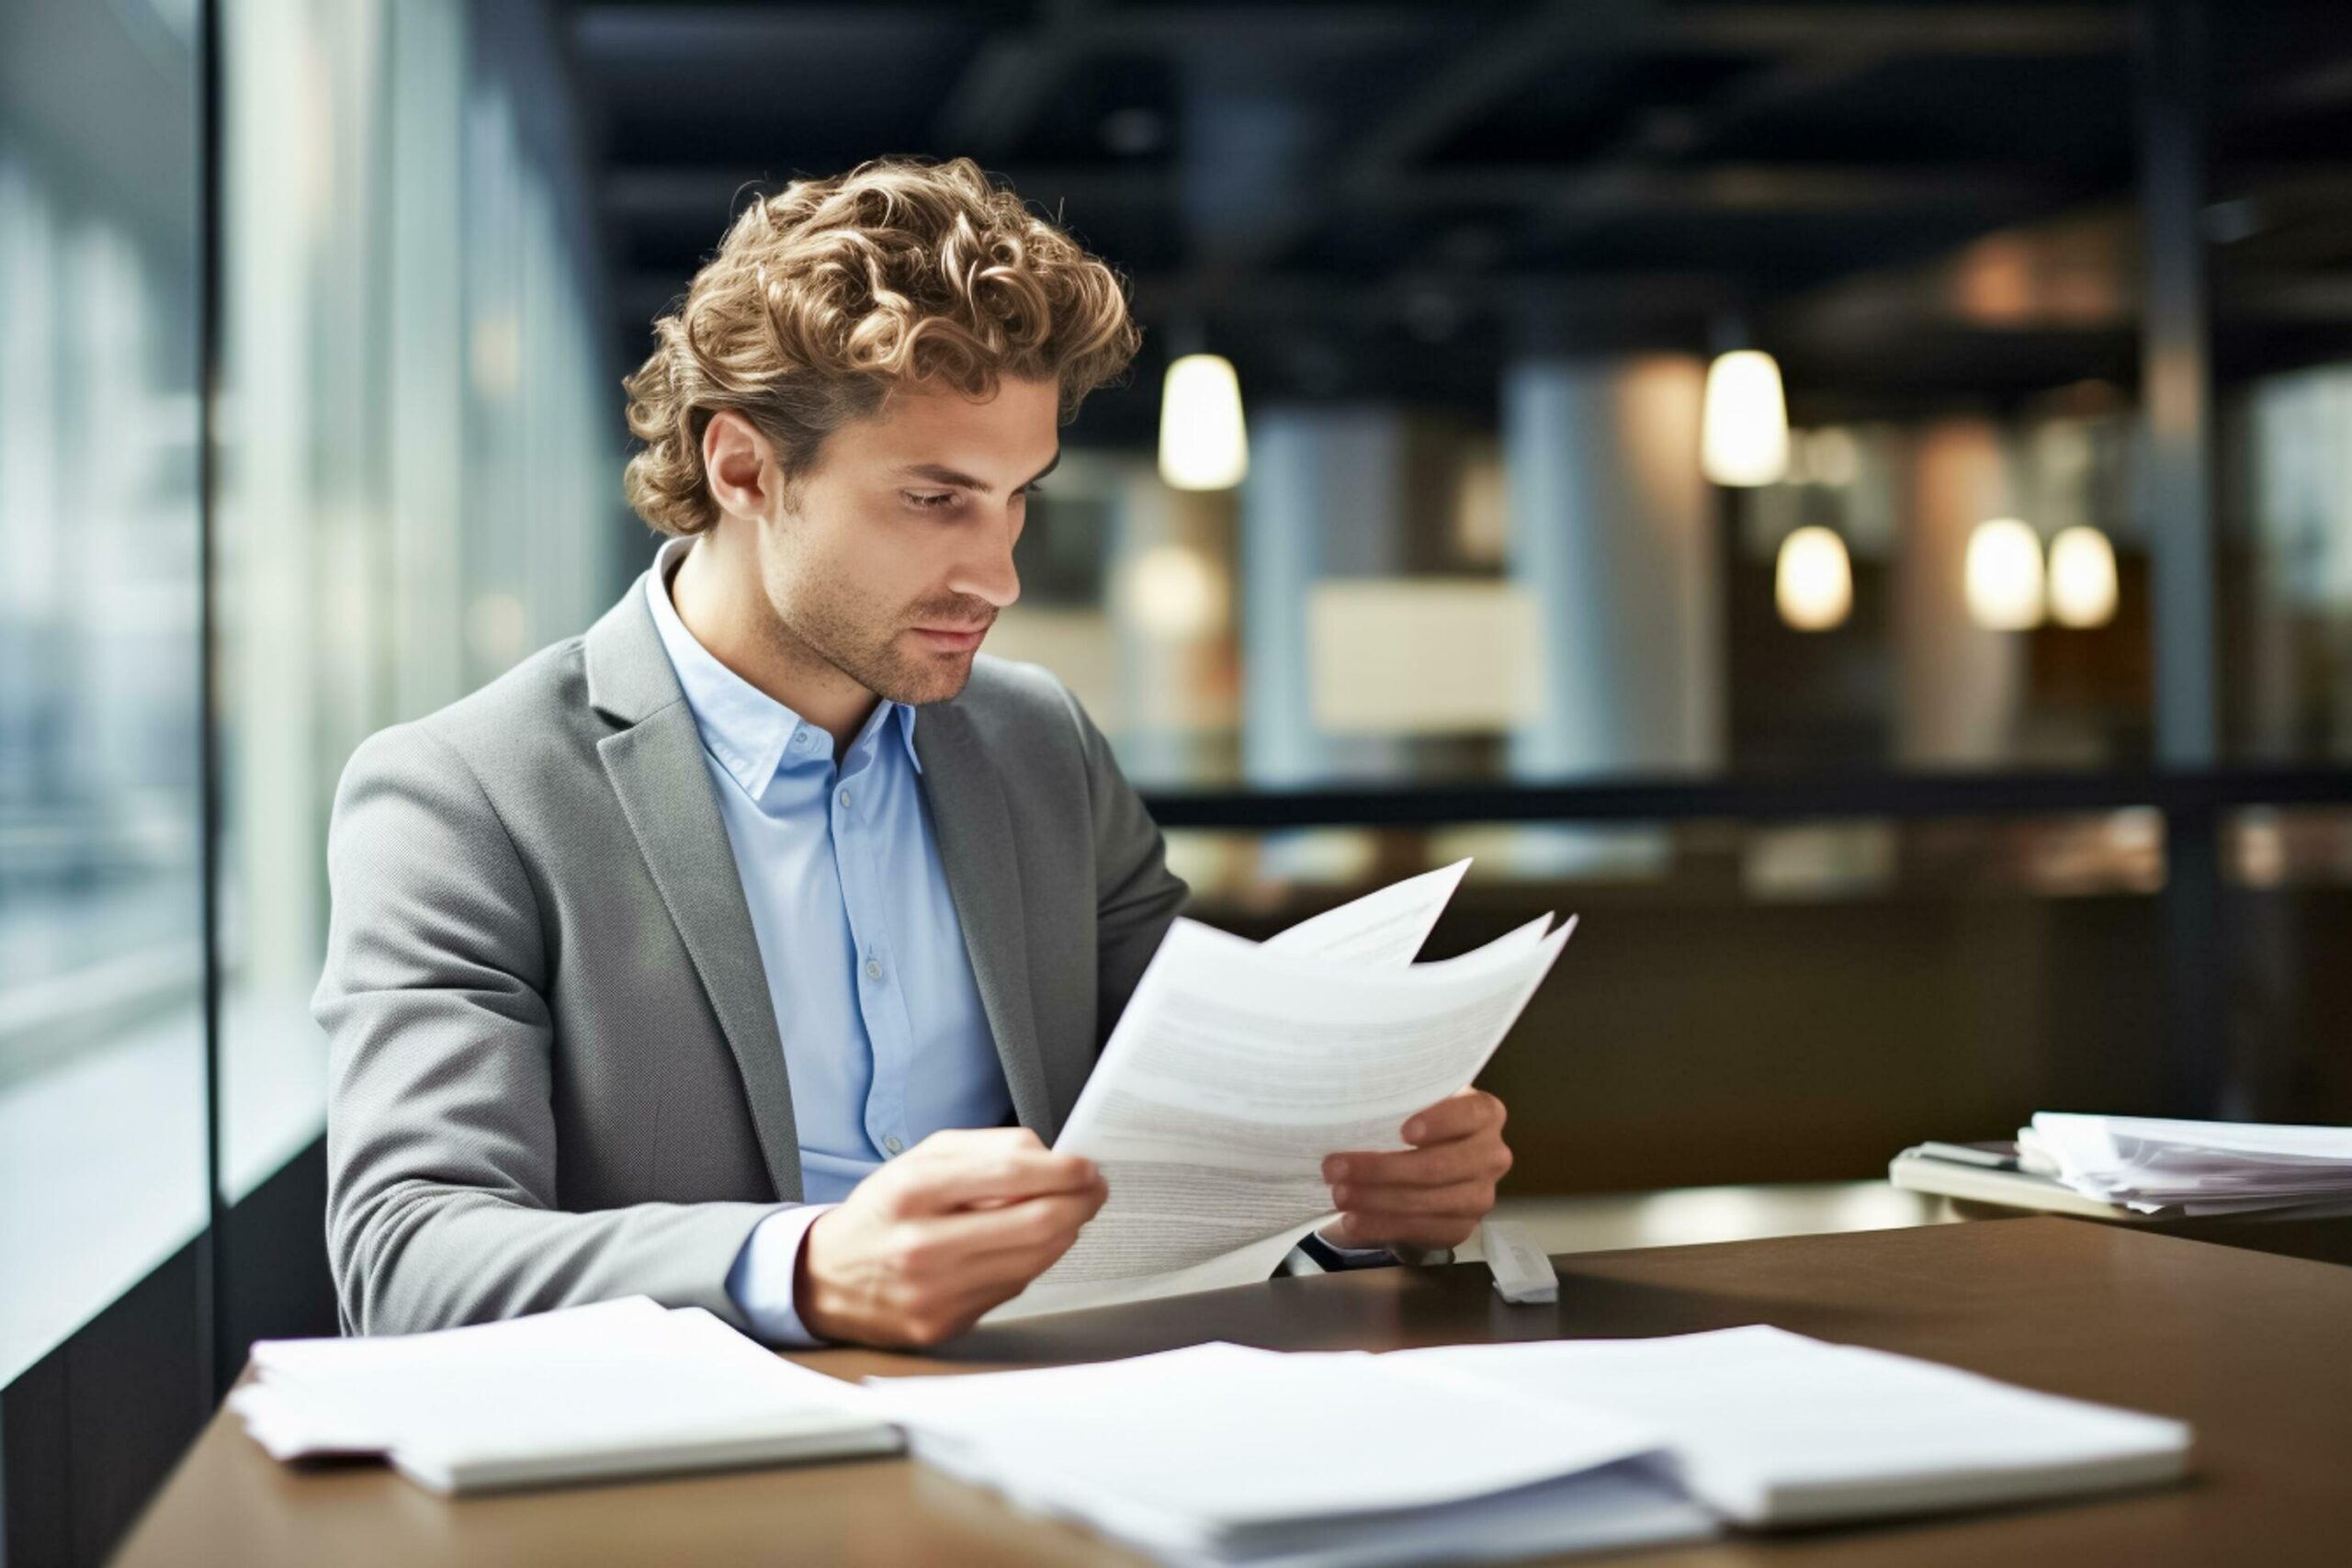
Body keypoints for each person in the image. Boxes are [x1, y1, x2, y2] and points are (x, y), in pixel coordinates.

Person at [315, 155, 1513, 1349]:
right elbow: (407, 1254)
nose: (999, 576)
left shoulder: (1040, 745)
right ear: (743, 468)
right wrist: (805, 1267)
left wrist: (1360, 1195)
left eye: (1017, 497)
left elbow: (1207, 1142)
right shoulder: (462, 798)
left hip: (1065, 1420)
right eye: (935, 500)